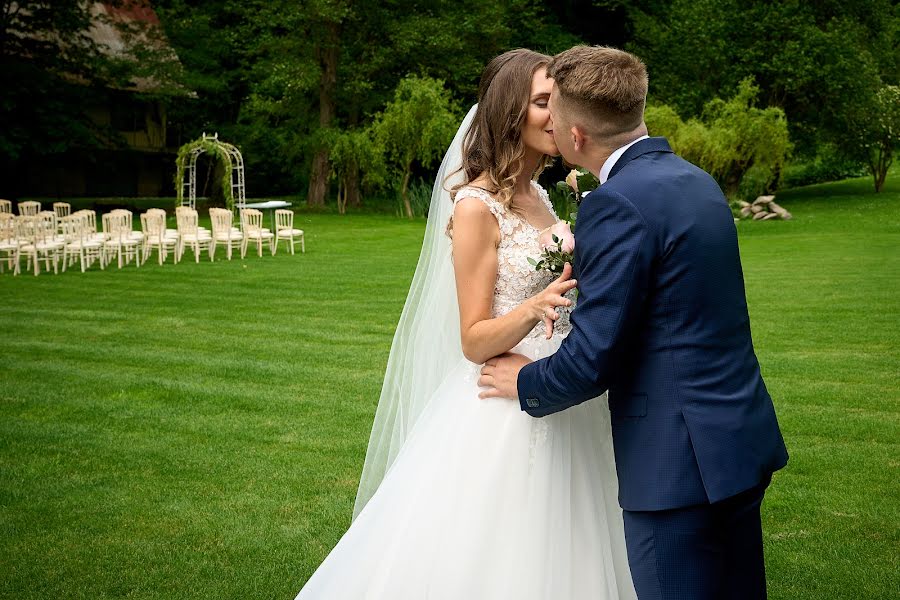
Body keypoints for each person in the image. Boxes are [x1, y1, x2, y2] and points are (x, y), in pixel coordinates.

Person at [293, 49, 636, 599]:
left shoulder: (542, 196)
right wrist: (534, 306)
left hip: (561, 387)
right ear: (509, 114)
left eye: (559, 101)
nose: (557, 115)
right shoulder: (477, 206)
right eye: (543, 102)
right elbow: (474, 339)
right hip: (503, 402)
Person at [480, 45, 789, 600]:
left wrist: (522, 381)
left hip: (677, 462)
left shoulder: (617, 203)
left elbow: (594, 357)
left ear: (576, 138)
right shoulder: (697, 181)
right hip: (738, 439)